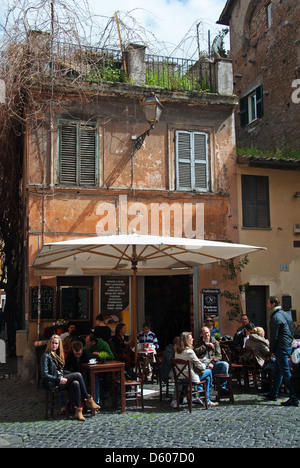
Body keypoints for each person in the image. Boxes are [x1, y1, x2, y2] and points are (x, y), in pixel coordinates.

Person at [40, 334, 100, 421]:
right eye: (53, 343)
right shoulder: (46, 356)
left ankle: (78, 411)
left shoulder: (56, 355)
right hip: (52, 383)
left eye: (56, 344)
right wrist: (59, 379)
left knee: (76, 383)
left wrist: (69, 375)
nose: (54, 345)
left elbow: (61, 371)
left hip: (59, 380)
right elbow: (44, 375)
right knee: (78, 375)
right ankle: (88, 399)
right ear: (49, 343)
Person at [265, 296, 299, 406]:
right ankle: (273, 393)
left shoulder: (275, 317)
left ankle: (294, 397)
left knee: (286, 373)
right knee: (279, 371)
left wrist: (272, 350)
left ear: (273, 304)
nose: (267, 305)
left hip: (281, 347)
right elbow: (291, 331)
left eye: (268, 303)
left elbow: (274, 336)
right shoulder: (285, 314)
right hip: (287, 345)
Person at [174, 331, 218, 407]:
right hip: (190, 377)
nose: (193, 340)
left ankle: (206, 399)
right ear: (187, 340)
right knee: (209, 372)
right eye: (191, 338)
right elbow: (199, 365)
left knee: (207, 377)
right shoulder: (189, 352)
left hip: (180, 377)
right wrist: (205, 366)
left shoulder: (177, 352)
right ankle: (207, 398)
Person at [195, 327, 229, 391]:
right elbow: (196, 352)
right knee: (199, 368)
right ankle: (200, 389)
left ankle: (222, 387)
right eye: (205, 333)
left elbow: (219, 356)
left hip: (212, 363)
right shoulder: (198, 342)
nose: (207, 335)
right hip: (202, 363)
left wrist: (212, 363)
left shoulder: (215, 342)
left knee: (224, 365)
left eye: (208, 333)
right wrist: (205, 345)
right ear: (202, 334)